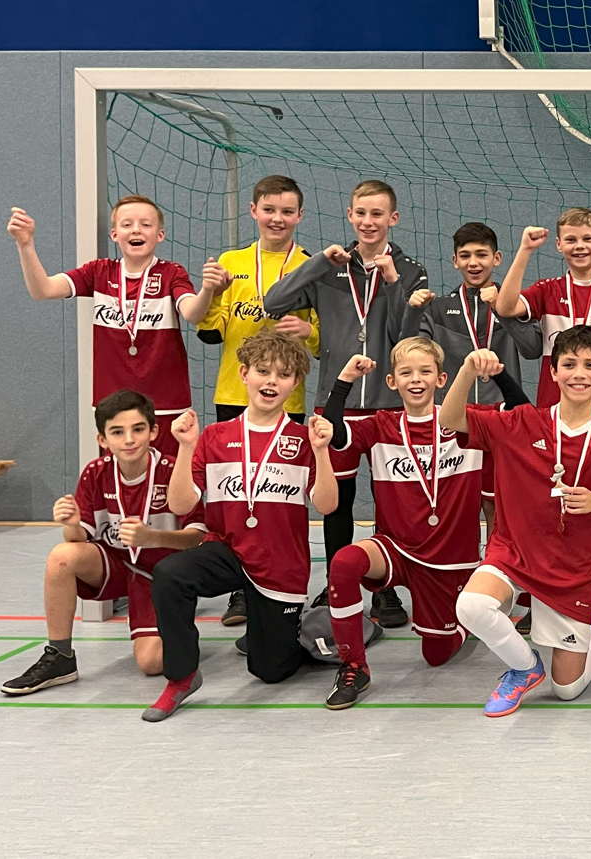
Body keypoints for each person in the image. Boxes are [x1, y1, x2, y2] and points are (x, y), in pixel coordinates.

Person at [442, 327, 591, 715]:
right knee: (471, 606)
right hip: (514, 553)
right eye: (569, 364)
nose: (579, 373)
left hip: (572, 570)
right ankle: (524, 668)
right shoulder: (521, 422)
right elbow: (450, 419)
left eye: (590, 365)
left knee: (566, 690)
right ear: (552, 371)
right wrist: (467, 370)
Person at [144, 330, 338, 721]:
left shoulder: (303, 440)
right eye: (263, 371)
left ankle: (310, 629)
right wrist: (185, 446)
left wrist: (322, 452)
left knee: (270, 672)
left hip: (279, 564)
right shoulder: (214, 436)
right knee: (170, 574)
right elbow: (181, 504)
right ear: (244, 373)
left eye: (283, 374)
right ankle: (182, 677)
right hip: (228, 550)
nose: (271, 381)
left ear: (295, 383)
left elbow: (327, 505)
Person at [263, 179, 430, 629]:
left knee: (390, 499)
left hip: (388, 406)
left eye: (378, 214)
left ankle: (385, 587)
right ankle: (339, 583)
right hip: (334, 404)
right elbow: (273, 303)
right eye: (361, 213)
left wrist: (392, 284)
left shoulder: (410, 270)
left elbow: (404, 338)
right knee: (337, 500)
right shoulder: (329, 268)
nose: (368, 222)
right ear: (350, 215)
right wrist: (319, 261)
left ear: (393, 219)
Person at [318, 337, 489, 709]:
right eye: (406, 372)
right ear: (392, 381)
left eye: (425, 371)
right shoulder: (381, 425)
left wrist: (497, 373)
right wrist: (344, 379)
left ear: (441, 379)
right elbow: (334, 432)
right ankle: (354, 665)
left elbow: (522, 414)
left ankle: (466, 620)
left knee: (436, 655)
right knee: (344, 563)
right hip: (394, 547)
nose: (416, 379)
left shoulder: (468, 422)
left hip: (448, 560)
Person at [0, 390, 206, 696]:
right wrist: (72, 524)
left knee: (151, 663)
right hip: (117, 566)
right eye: (117, 432)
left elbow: (198, 539)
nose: (129, 440)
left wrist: (152, 537)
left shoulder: (173, 470)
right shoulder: (95, 473)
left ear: (153, 431)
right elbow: (77, 540)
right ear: (102, 439)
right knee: (62, 555)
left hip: (161, 576)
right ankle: (60, 655)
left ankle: (176, 629)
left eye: (138, 429)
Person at [197, 174, 321, 628]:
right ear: (253, 211)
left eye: (287, 211)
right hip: (234, 396)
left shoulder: (311, 266)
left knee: (280, 503)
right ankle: (240, 589)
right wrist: (210, 289)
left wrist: (309, 331)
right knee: (233, 500)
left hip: (288, 401)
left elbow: (325, 339)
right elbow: (209, 329)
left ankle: (281, 583)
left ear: (300, 215)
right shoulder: (231, 262)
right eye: (269, 209)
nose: (277, 218)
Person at [9, 196, 217, 457]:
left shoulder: (172, 273)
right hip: (113, 405)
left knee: (169, 477)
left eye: (146, 224)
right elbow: (43, 290)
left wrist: (207, 289)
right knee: (118, 479)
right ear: (114, 234)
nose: (136, 230)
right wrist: (25, 244)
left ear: (160, 235)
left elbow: (192, 313)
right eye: (127, 224)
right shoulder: (99, 272)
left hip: (166, 404)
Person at [405, 222, 536, 534]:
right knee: (453, 504)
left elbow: (532, 349)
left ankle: (497, 562)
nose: (474, 263)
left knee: (497, 505)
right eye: (465, 255)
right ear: (455, 261)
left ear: (497, 258)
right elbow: (410, 351)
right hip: (454, 418)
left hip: (500, 417)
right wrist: (412, 312)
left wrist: (502, 309)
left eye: (482, 254)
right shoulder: (439, 308)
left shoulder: (515, 303)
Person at [493, 209, 591, 408]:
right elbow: (505, 308)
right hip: (553, 403)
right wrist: (525, 250)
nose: (579, 246)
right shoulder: (547, 289)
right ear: (559, 244)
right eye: (570, 240)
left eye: (587, 238)